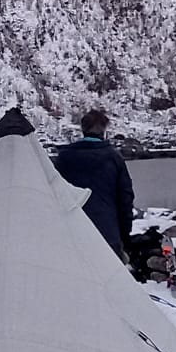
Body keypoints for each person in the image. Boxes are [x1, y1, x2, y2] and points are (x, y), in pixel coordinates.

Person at [52, 108, 134, 259]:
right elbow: (126, 198)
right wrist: (124, 234)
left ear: (83, 129)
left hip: (72, 233)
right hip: (107, 233)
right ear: (104, 130)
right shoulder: (113, 157)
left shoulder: (64, 158)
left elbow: (53, 194)